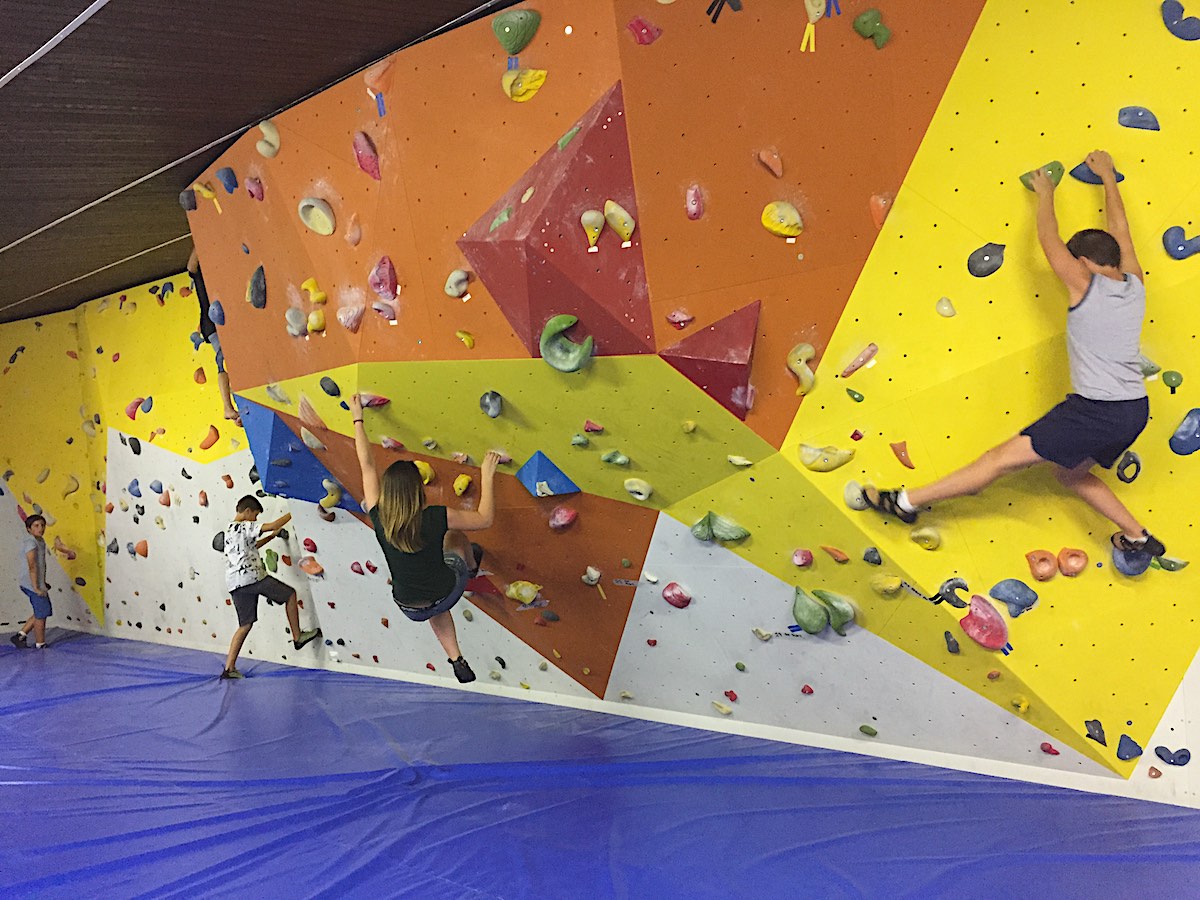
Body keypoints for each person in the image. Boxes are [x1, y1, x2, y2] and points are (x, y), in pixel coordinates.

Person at [861, 150, 1166, 566]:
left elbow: (1048, 241)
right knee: (1070, 474)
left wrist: (1045, 193)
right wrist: (1109, 178)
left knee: (997, 461)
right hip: (1134, 410)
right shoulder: (1135, 284)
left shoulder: (1082, 283)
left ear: (1081, 263)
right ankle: (1136, 535)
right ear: (1113, 259)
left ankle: (906, 502)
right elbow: (1122, 230)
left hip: (1096, 412)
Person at [350, 393, 499, 683]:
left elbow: (365, 465)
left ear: (388, 493)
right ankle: (470, 567)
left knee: (429, 602)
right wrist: (487, 475)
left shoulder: (379, 516)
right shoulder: (435, 517)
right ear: (418, 491)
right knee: (455, 538)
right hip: (445, 590)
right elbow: (484, 518)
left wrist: (358, 418)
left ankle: (456, 657)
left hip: (408, 606)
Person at [220, 497, 321, 679]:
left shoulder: (229, 530)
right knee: (290, 594)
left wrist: (272, 536)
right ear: (247, 511)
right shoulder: (244, 526)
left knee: (245, 625)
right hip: (252, 577)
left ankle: (229, 668)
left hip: (235, 583)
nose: (255, 519)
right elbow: (274, 523)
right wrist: (294, 511)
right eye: (255, 515)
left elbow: (253, 546)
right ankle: (297, 637)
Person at [188, 247, 241, 428]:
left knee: (231, 361)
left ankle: (236, 408)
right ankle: (228, 407)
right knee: (223, 357)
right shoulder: (203, 274)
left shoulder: (220, 276)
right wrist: (199, 243)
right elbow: (191, 267)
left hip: (217, 322)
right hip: (211, 324)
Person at [10, 514, 50, 649]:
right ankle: (40, 643)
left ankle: (21, 635)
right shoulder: (30, 542)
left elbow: (41, 564)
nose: (41, 528)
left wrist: (43, 582)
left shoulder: (41, 541)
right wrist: (36, 587)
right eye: (36, 526)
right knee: (42, 613)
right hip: (31, 583)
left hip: (37, 582)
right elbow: (32, 565)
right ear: (29, 529)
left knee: (42, 610)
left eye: (43, 525)